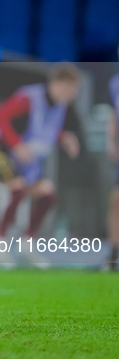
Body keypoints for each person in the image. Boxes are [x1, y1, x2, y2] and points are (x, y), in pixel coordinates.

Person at [0, 64, 81, 269]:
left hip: (26, 159)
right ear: (58, 84)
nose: (74, 93)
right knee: (18, 190)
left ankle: (27, 243)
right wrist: (17, 146)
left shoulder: (60, 105)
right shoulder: (29, 97)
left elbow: (47, 128)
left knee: (47, 195)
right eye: (71, 87)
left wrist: (64, 137)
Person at [105, 45, 119, 270]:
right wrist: (110, 141)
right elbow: (114, 113)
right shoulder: (115, 83)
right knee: (116, 200)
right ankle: (114, 252)